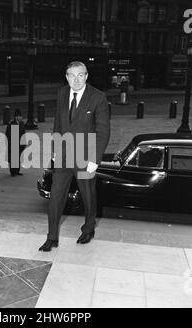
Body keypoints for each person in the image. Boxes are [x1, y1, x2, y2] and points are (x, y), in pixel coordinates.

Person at [39, 61, 110, 252]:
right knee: (56, 196)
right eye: (72, 75)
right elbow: (58, 124)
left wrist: (95, 160)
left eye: (80, 75)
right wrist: (54, 149)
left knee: (87, 195)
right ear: (66, 77)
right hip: (63, 155)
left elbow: (103, 132)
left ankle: (88, 228)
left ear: (86, 76)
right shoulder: (62, 93)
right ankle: (52, 237)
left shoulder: (98, 97)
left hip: (86, 157)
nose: (76, 79)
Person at [5, 108, 26, 177]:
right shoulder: (11, 123)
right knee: (13, 158)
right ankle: (12, 172)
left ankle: (17, 171)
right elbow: (7, 134)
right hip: (13, 142)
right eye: (19, 116)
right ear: (16, 117)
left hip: (20, 143)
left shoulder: (22, 123)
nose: (20, 117)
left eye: (20, 116)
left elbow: (23, 133)